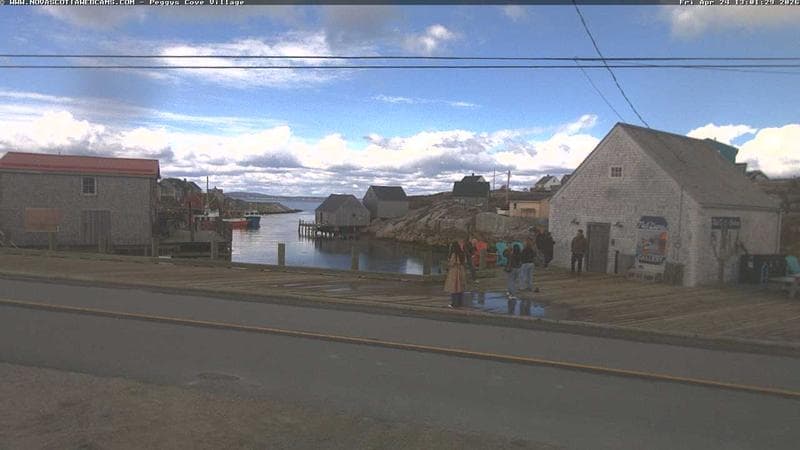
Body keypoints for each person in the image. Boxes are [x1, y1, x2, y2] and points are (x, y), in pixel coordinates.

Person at [444, 241, 467, 307]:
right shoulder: (462, 253)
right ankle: (460, 303)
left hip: (454, 271)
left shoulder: (454, 254)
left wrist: (448, 263)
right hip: (461, 270)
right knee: (460, 288)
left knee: (454, 288)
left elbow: (452, 263)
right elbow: (465, 261)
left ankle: (454, 304)